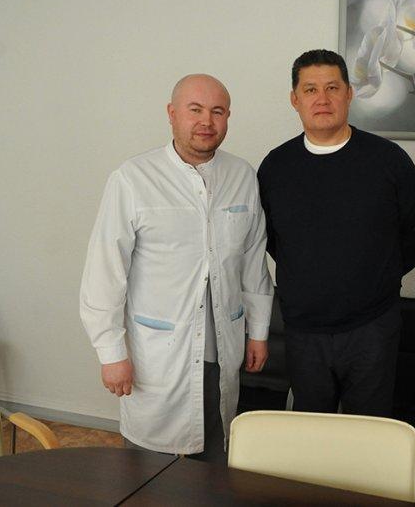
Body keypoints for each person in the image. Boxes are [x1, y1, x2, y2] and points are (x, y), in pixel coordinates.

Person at [80, 74, 273, 461]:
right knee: (148, 464)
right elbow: (104, 273)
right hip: (157, 354)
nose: (206, 121)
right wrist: (110, 352)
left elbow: (254, 261)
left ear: (228, 117)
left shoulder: (242, 176)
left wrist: (258, 332)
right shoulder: (133, 179)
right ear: (171, 114)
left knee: (217, 454)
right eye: (195, 110)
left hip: (222, 347)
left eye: (217, 111)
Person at [257, 49, 415, 417]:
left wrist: (378, 274)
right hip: (303, 328)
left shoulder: (388, 159)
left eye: (332, 88)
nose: (322, 99)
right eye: (310, 90)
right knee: (312, 431)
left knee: (368, 430)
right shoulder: (276, 167)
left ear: (349, 94)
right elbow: (270, 237)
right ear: (295, 99)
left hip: (373, 326)